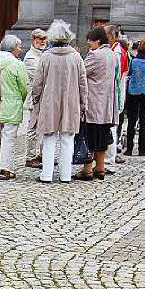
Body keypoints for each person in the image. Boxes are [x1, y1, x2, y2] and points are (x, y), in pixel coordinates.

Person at [30, 19, 88, 184]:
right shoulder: (76, 57)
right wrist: (84, 103)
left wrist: (35, 99)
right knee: (67, 138)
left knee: (48, 138)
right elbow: (83, 83)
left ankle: (46, 174)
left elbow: (37, 82)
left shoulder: (46, 57)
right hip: (71, 102)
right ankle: (65, 175)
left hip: (49, 102)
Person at [76, 26, 119, 181]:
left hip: (94, 102)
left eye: (90, 40)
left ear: (98, 40)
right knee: (102, 137)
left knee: (89, 137)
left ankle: (87, 169)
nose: (88, 43)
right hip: (107, 103)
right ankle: (100, 168)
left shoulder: (95, 55)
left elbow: (81, 72)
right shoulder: (112, 54)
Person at [0, 34, 28, 179]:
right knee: (9, 137)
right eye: (19, 47)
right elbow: (24, 87)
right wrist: (20, 99)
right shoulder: (17, 64)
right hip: (12, 105)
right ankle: (6, 168)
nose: (21, 50)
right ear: (13, 49)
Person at [124, 39, 145, 157]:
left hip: (134, 92)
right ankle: (142, 149)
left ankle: (129, 149)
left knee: (131, 121)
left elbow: (130, 73)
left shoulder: (134, 60)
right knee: (143, 121)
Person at [23, 28, 48, 168]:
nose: (42, 42)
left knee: (43, 127)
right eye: (40, 39)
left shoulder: (42, 55)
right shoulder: (30, 57)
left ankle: (41, 154)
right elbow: (38, 77)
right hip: (35, 97)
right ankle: (30, 156)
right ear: (34, 40)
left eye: (44, 39)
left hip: (43, 96)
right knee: (32, 127)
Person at [106, 24, 129, 165]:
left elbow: (115, 74)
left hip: (114, 92)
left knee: (111, 125)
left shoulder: (117, 52)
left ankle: (110, 157)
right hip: (115, 91)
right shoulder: (115, 50)